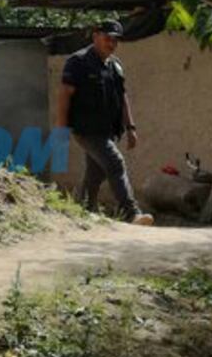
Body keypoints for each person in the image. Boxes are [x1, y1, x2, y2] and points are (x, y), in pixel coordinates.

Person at [55, 20, 154, 226]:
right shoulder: (78, 62)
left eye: (115, 40)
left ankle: (83, 208)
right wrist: (61, 129)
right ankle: (131, 213)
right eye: (108, 38)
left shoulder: (115, 65)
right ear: (95, 36)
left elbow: (122, 97)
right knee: (115, 163)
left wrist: (131, 127)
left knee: (96, 171)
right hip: (86, 129)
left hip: (108, 130)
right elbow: (65, 95)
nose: (112, 43)